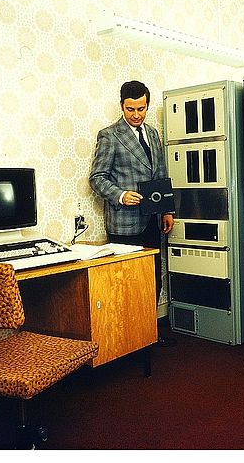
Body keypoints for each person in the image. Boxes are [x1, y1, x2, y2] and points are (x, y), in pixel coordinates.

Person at [89, 80, 176, 346]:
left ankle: (148, 333)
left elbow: (160, 174)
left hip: (152, 219)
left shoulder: (152, 133)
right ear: (122, 106)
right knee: (128, 285)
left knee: (152, 280)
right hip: (125, 225)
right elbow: (97, 178)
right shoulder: (109, 135)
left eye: (141, 109)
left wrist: (166, 210)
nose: (136, 115)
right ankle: (129, 341)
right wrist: (120, 195)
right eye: (130, 109)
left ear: (147, 105)